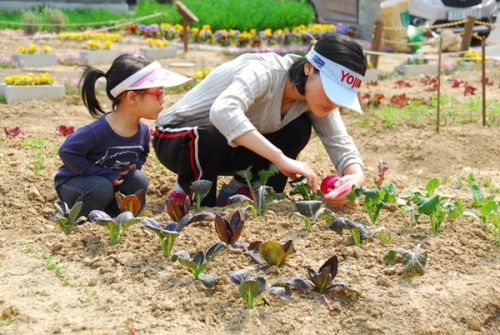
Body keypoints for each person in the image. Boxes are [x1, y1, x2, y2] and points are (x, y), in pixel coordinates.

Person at [153, 32, 366, 208]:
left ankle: (243, 189)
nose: (333, 102)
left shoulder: (314, 99)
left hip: (223, 150)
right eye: (330, 91)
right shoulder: (265, 71)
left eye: (340, 98)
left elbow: (340, 142)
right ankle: (186, 195)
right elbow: (222, 111)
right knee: (213, 133)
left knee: (298, 128)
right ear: (309, 68)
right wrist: (280, 158)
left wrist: (354, 178)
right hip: (177, 139)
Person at [54, 54, 190, 218]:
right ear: (132, 97)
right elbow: (67, 151)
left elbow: (143, 153)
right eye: (159, 93)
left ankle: (112, 218)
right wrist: (103, 173)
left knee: (139, 180)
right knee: (101, 187)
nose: (163, 100)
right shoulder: (98, 131)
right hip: (77, 185)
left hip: (110, 183)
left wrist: (135, 165)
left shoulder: (144, 131)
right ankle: (78, 219)